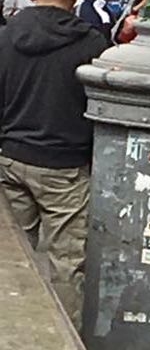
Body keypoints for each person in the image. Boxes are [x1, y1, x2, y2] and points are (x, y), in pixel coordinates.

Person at [0, 0, 108, 330]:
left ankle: (10, 332)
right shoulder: (92, 44)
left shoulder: (6, 36)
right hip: (67, 168)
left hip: (11, 158)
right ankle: (64, 339)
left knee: (9, 259)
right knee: (68, 266)